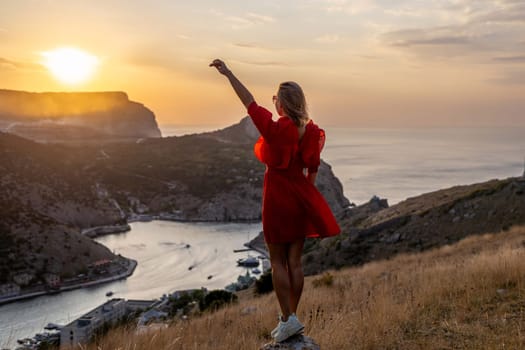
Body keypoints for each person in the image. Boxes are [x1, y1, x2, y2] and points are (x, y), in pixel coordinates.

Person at [210, 59, 340, 343]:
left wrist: (229, 74)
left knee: (276, 262)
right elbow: (313, 170)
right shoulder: (312, 132)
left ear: (282, 103)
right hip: (300, 197)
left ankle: (286, 320)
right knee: (295, 262)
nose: (274, 104)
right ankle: (292, 318)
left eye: (276, 100)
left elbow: (248, 101)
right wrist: (306, 200)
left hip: (277, 198)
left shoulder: (274, 128)